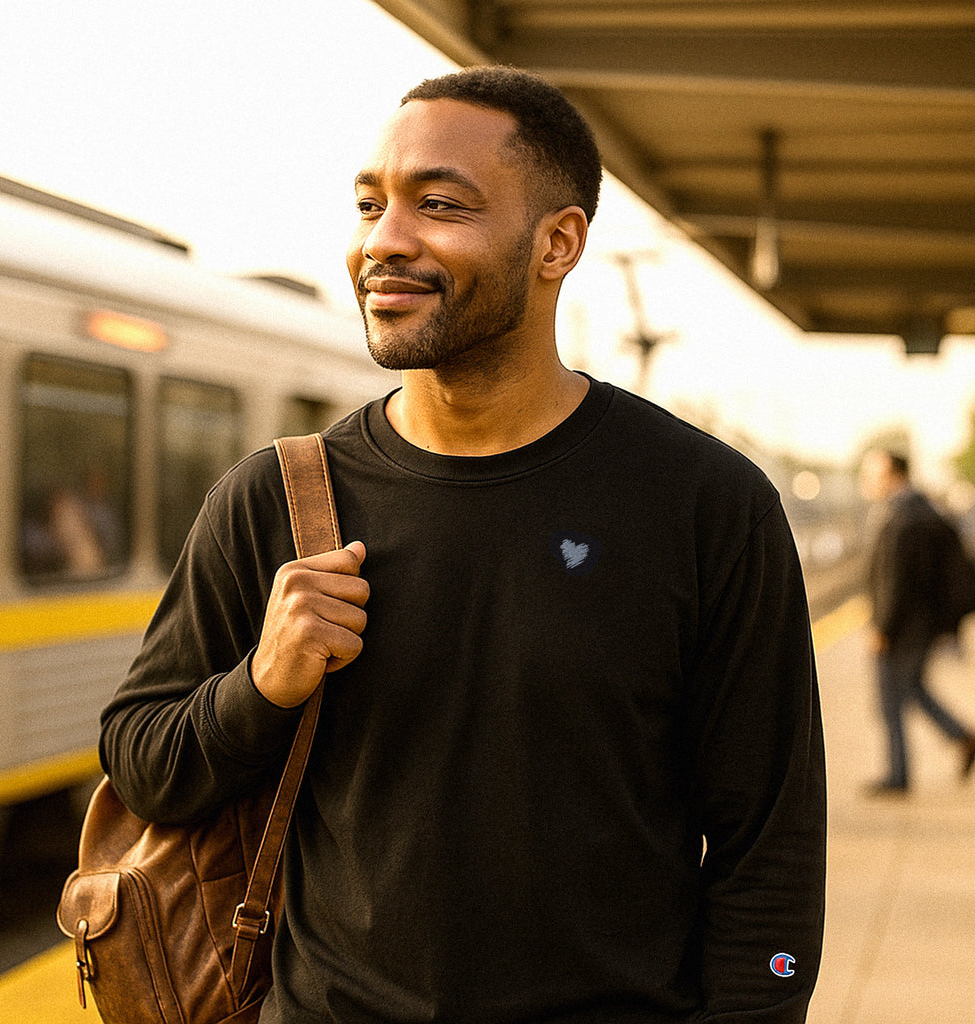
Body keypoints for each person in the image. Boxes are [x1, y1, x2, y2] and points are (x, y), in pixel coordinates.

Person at [101, 67, 826, 1023]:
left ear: (558, 243)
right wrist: (262, 686)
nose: (383, 241)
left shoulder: (707, 506)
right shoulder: (274, 498)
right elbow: (141, 761)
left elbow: (769, 852)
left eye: (439, 205)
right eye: (371, 205)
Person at [860, 448, 975, 795]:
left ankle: (899, 775)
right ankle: (961, 738)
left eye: (872, 475)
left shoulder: (904, 516)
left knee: (892, 696)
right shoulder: (921, 509)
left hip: (905, 627)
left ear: (892, 475)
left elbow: (897, 580)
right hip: (921, 624)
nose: (867, 482)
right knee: (911, 688)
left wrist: (883, 627)